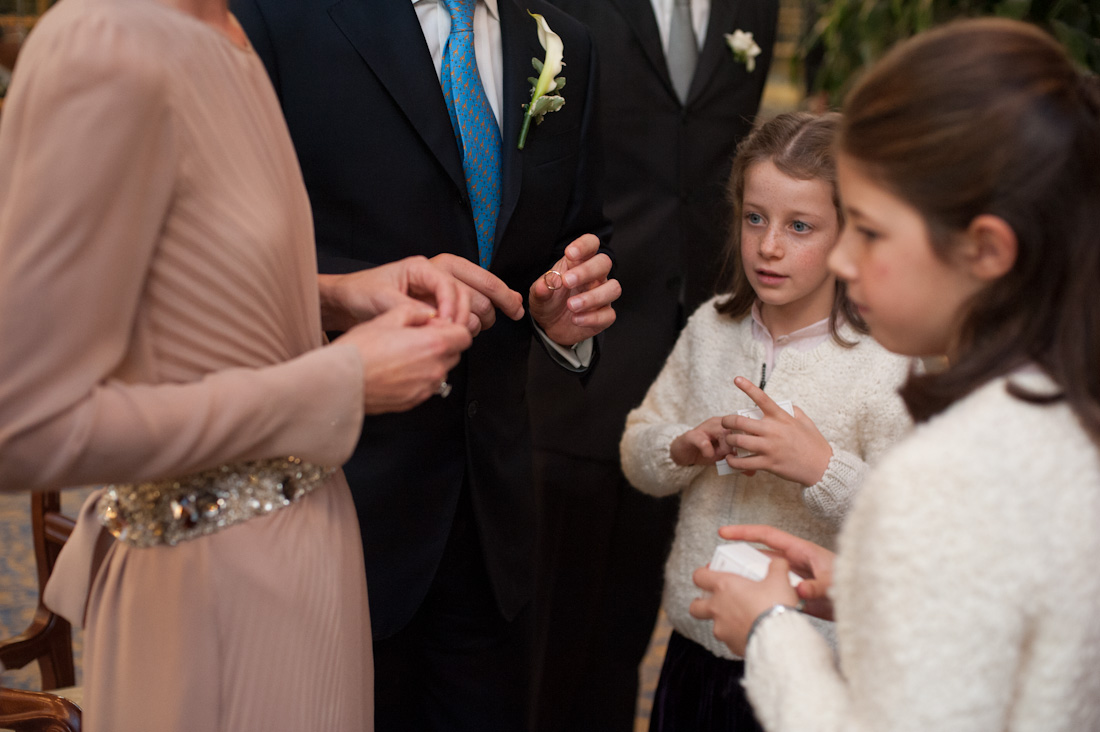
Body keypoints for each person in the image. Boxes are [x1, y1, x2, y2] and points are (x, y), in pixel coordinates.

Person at [0, 0, 476, 726]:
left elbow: (177, 277)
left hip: (314, 559)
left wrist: (336, 296)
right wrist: (340, 382)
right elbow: (24, 425)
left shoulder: (229, 37)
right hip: (211, 587)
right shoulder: (102, 44)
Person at [690, 18, 1100, 731]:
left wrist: (769, 631)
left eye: (871, 232)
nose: (843, 260)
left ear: (985, 249)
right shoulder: (1065, 419)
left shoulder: (940, 475)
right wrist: (873, 595)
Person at [230, 0, 618, 728]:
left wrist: (561, 314)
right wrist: (341, 300)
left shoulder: (566, 44)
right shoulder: (280, 19)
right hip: (331, 502)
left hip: (493, 525)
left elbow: (579, 234)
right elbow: (214, 260)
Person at [526, 1, 778, 727]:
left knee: (628, 624)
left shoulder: (755, 9)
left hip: (694, 363)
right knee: (547, 628)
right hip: (581, 343)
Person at [619, 111, 912, 732]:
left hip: (808, 669)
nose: (769, 246)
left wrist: (821, 468)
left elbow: (910, 528)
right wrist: (680, 448)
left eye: (800, 226)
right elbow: (637, 450)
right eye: (755, 218)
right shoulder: (710, 328)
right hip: (695, 645)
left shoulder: (884, 365)